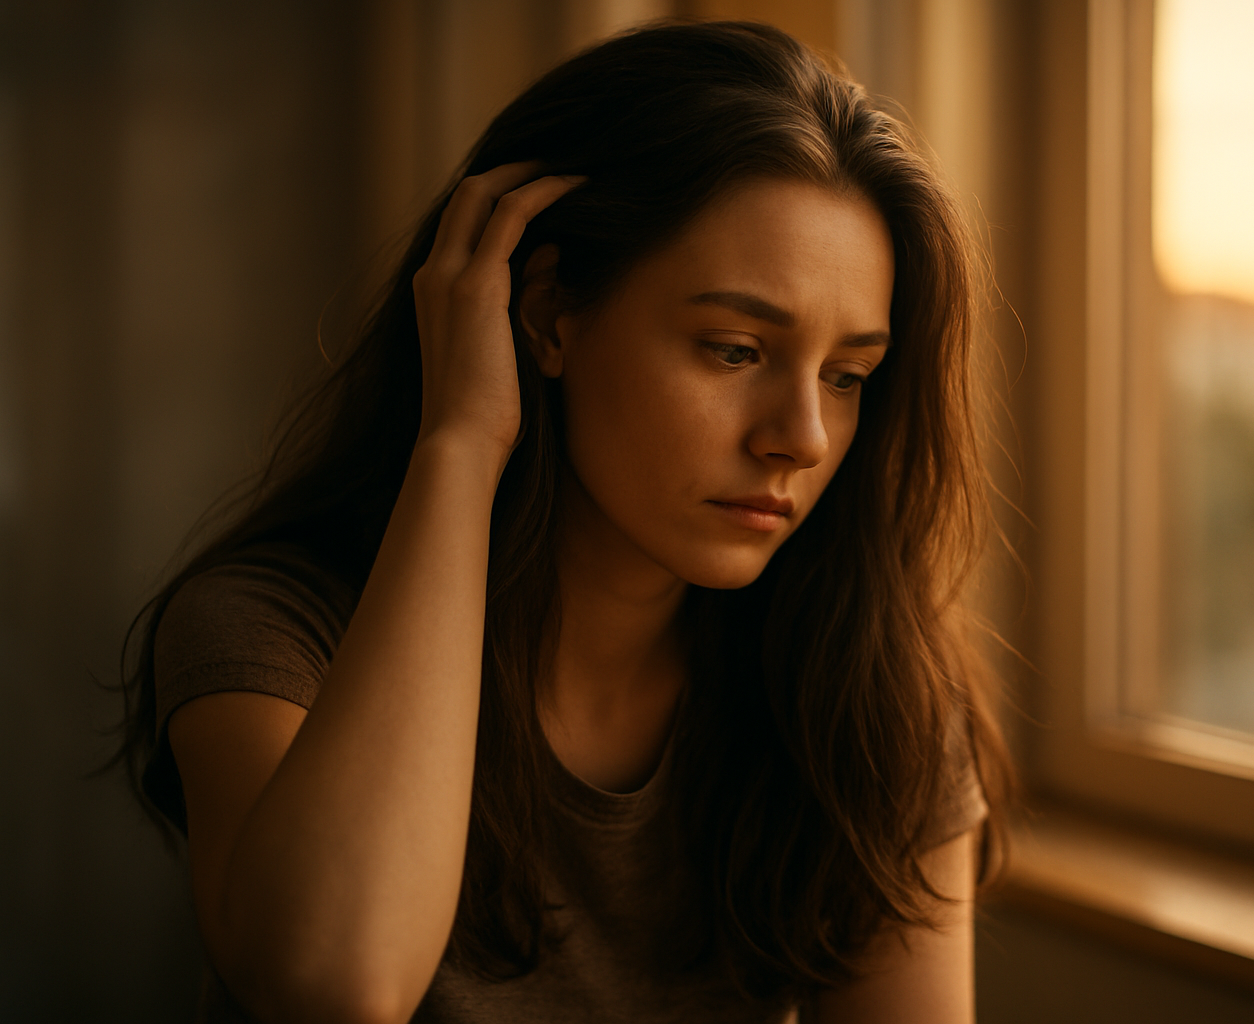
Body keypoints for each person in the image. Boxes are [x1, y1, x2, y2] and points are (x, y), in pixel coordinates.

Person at [116, 19, 1012, 1024]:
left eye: (848, 376)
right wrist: (460, 442)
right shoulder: (273, 629)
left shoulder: (866, 686)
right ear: (546, 315)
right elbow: (335, 984)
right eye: (733, 350)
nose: (802, 436)